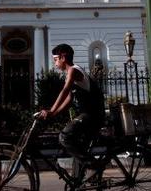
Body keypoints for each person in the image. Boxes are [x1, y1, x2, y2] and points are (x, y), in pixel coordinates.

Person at [39, 43, 106, 178]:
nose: (55, 63)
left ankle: (94, 165)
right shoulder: (72, 73)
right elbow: (69, 100)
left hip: (91, 115)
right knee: (79, 148)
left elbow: (65, 91)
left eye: (56, 59)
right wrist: (54, 114)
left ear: (63, 57)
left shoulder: (73, 71)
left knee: (64, 137)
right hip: (90, 115)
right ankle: (77, 187)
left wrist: (51, 110)